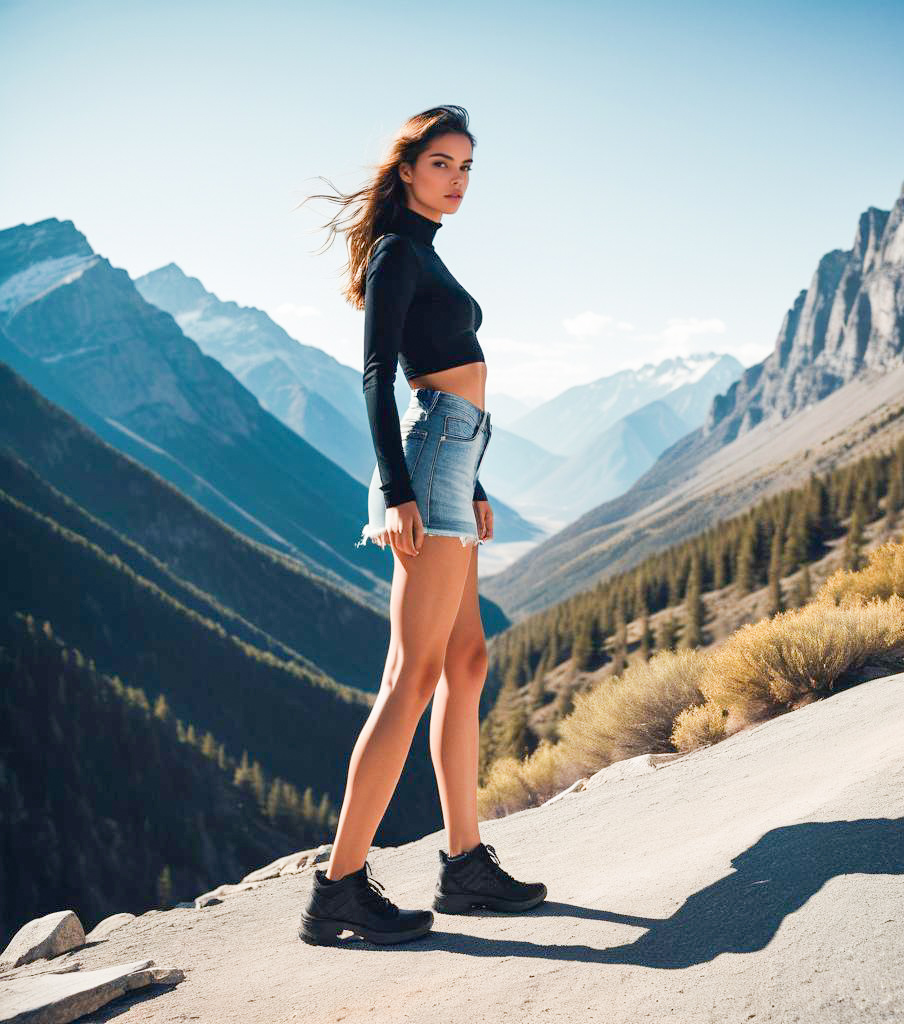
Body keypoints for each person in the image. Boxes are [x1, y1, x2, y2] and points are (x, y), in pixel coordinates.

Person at [297, 105, 547, 946]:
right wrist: (403, 491)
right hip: (428, 464)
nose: (458, 180)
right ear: (407, 168)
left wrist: (471, 481)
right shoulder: (398, 254)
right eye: (443, 163)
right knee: (412, 675)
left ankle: (465, 865)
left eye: (468, 166)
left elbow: (455, 389)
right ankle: (338, 886)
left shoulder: (426, 250)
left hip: (455, 465)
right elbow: (376, 378)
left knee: (467, 661)